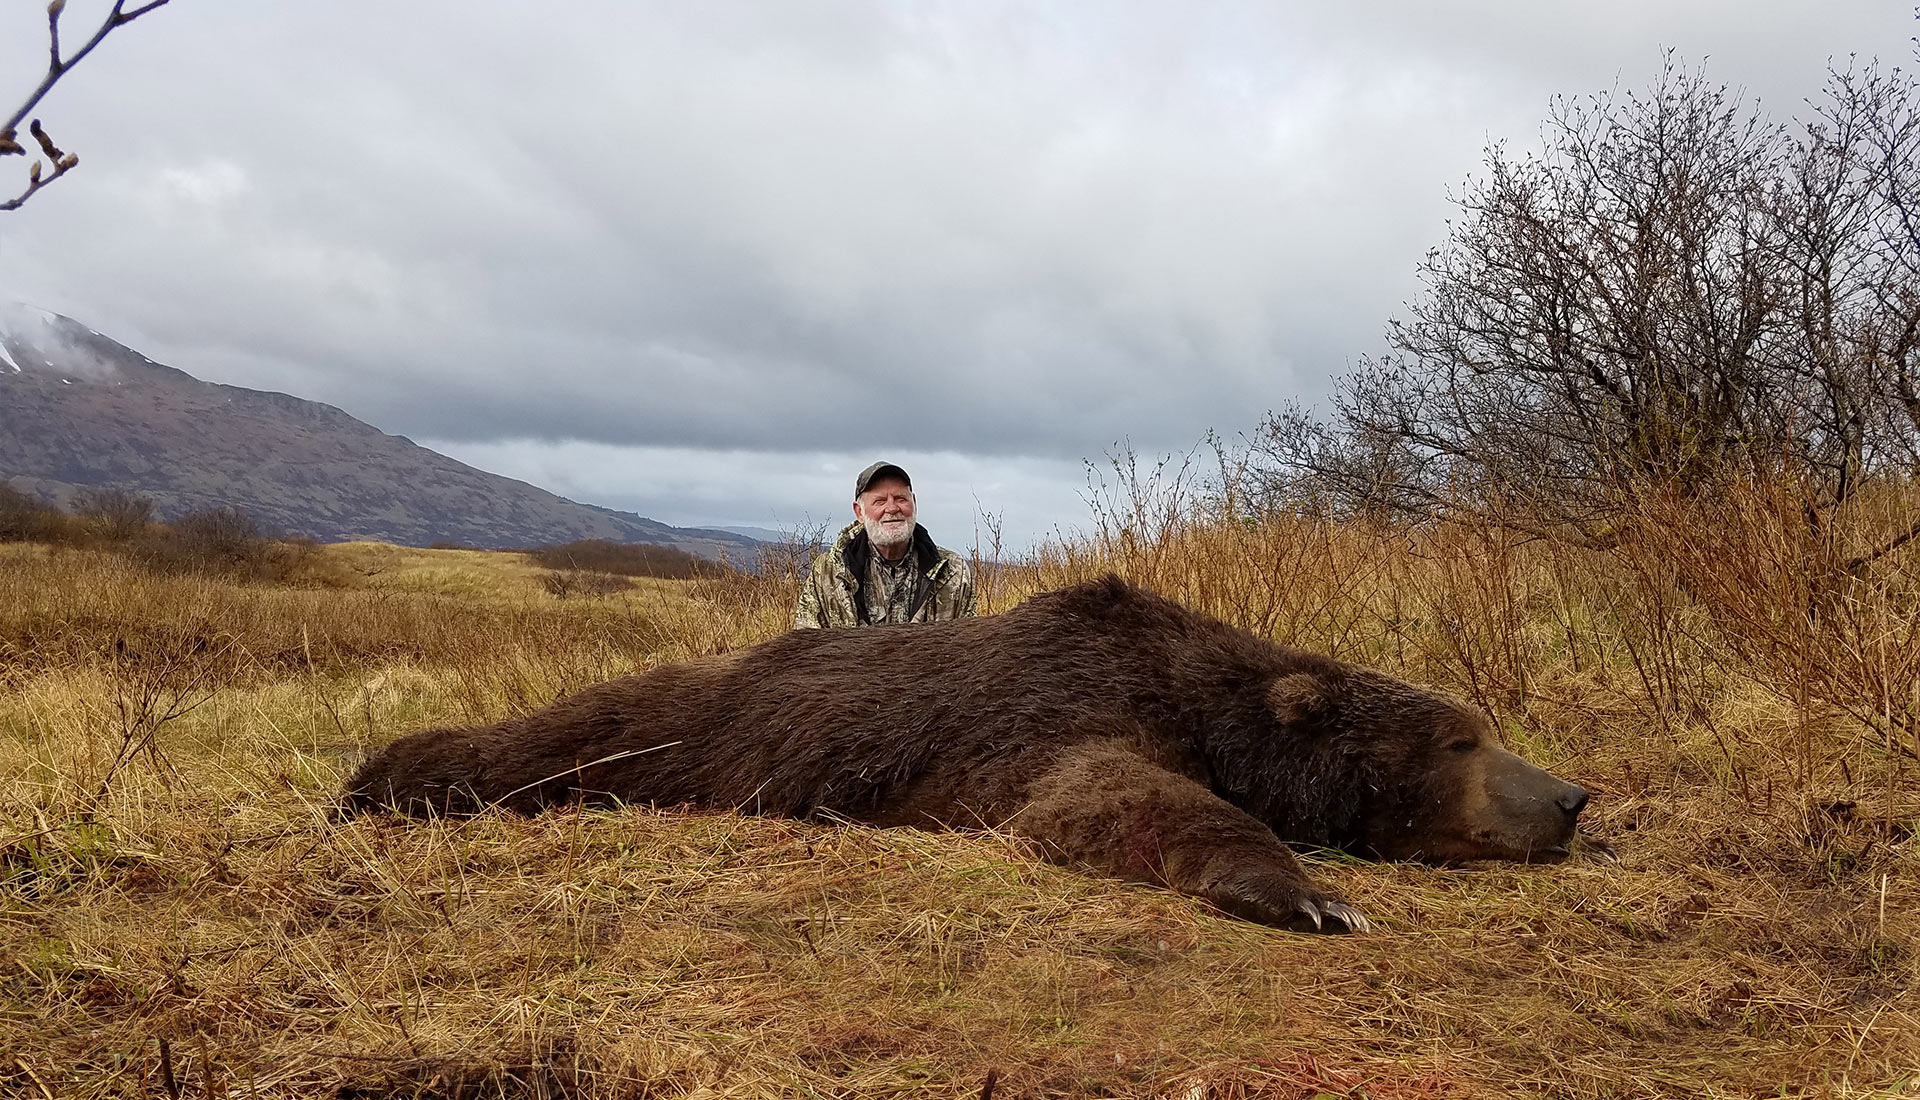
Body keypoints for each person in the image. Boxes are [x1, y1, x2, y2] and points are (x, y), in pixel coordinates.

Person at [793, 461, 976, 628]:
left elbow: (969, 644)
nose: (892, 508)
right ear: (859, 512)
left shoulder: (954, 571)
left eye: (900, 499)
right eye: (879, 501)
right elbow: (805, 644)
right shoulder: (827, 572)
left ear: (914, 503)